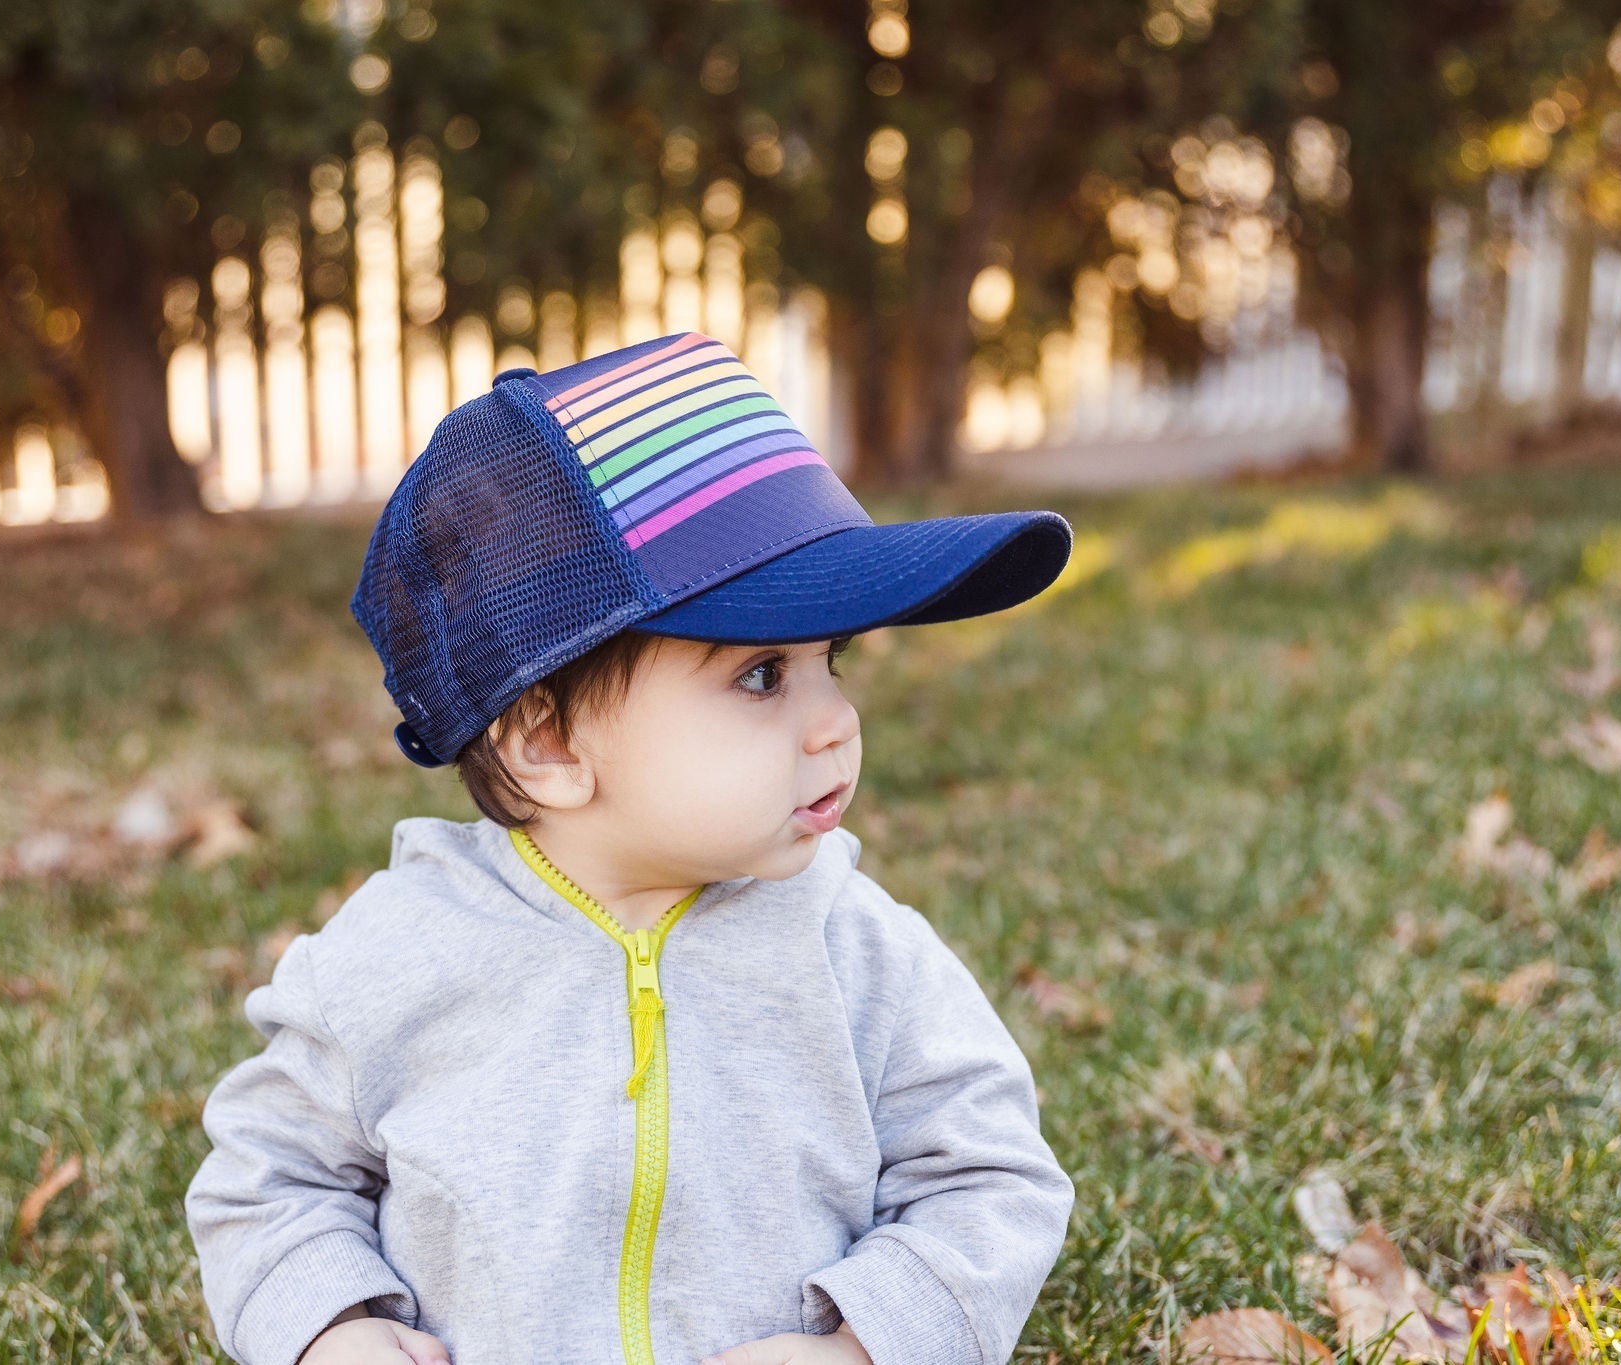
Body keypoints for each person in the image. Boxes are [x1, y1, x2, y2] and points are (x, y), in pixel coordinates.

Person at [185, 331, 1077, 1365]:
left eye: (828, 662)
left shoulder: (856, 948)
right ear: (549, 743)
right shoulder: (396, 956)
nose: (835, 722)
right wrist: (328, 1329)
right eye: (760, 677)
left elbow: (988, 1181)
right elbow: (269, 1177)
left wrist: (863, 1345)